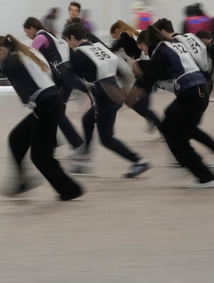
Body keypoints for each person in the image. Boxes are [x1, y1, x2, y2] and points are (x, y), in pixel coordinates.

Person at [0, 34, 84, 201]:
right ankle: (22, 182)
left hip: (46, 104)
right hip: (50, 102)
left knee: (40, 157)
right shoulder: (28, 52)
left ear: (2, 50)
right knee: (16, 138)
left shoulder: (13, 60)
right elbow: (57, 76)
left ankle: (71, 190)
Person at [126, 26, 214, 188]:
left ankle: (206, 176)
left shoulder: (161, 51)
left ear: (148, 42)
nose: (145, 53)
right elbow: (158, 75)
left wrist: (131, 96)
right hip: (197, 91)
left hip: (192, 94)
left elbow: (148, 79)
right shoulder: (171, 46)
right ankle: (191, 165)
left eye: (143, 49)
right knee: (168, 124)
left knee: (177, 138)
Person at [63, 22, 150, 179]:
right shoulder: (98, 47)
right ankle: (86, 158)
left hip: (106, 96)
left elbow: (72, 76)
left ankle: (138, 160)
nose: (68, 45)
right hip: (112, 91)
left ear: (72, 38)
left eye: (67, 41)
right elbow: (116, 65)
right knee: (87, 120)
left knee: (106, 138)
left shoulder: (78, 54)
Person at [153, 19, 214, 167]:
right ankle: (187, 156)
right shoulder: (189, 36)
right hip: (202, 81)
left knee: (186, 126)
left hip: (195, 84)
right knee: (183, 124)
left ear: (163, 32)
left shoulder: (174, 43)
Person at [22, 17, 86, 150]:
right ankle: (57, 141)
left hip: (61, 77)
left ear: (32, 28)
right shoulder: (50, 35)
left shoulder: (40, 37)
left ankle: (76, 143)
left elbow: (31, 55)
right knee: (55, 111)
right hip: (66, 76)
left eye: (26, 32)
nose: (26, 35)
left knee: (55, 112)